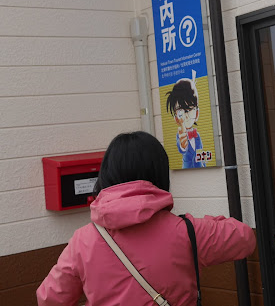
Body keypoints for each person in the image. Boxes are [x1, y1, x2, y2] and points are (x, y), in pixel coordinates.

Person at [37, 131, 256, 306]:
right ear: (159, 172)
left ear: (107, 174)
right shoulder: (187, 231)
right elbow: (245, 238)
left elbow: (49, 299)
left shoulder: (82, 241)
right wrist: (196, 222)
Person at [166, 74, 206, 168]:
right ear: (176, 118)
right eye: (181, 112)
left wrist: (203, 165)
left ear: (197, 113)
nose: (186, 116)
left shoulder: (197, 136)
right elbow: (182, 148)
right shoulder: (180, 135)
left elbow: (200, 152)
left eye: (189, 110)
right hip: (187, 171)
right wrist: (183, 145)